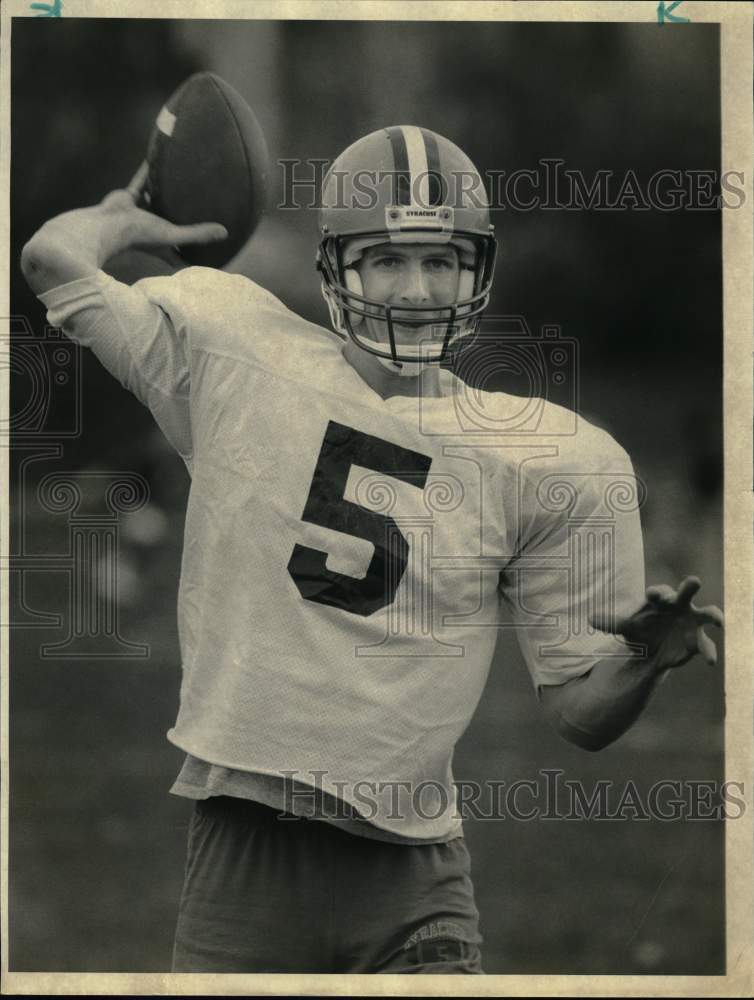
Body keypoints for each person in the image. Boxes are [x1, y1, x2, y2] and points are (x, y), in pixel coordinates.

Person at [21, 125, 723, 974]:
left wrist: (642, 660)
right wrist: (120, 219)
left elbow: (579, 716)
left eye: (442, 260)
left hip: (413, 881)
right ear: (335, 271)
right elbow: (49, 261)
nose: (418, 289)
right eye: (388, 259)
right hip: (243, 858)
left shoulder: (546, 461)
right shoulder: (235, 352)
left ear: (478, 271)